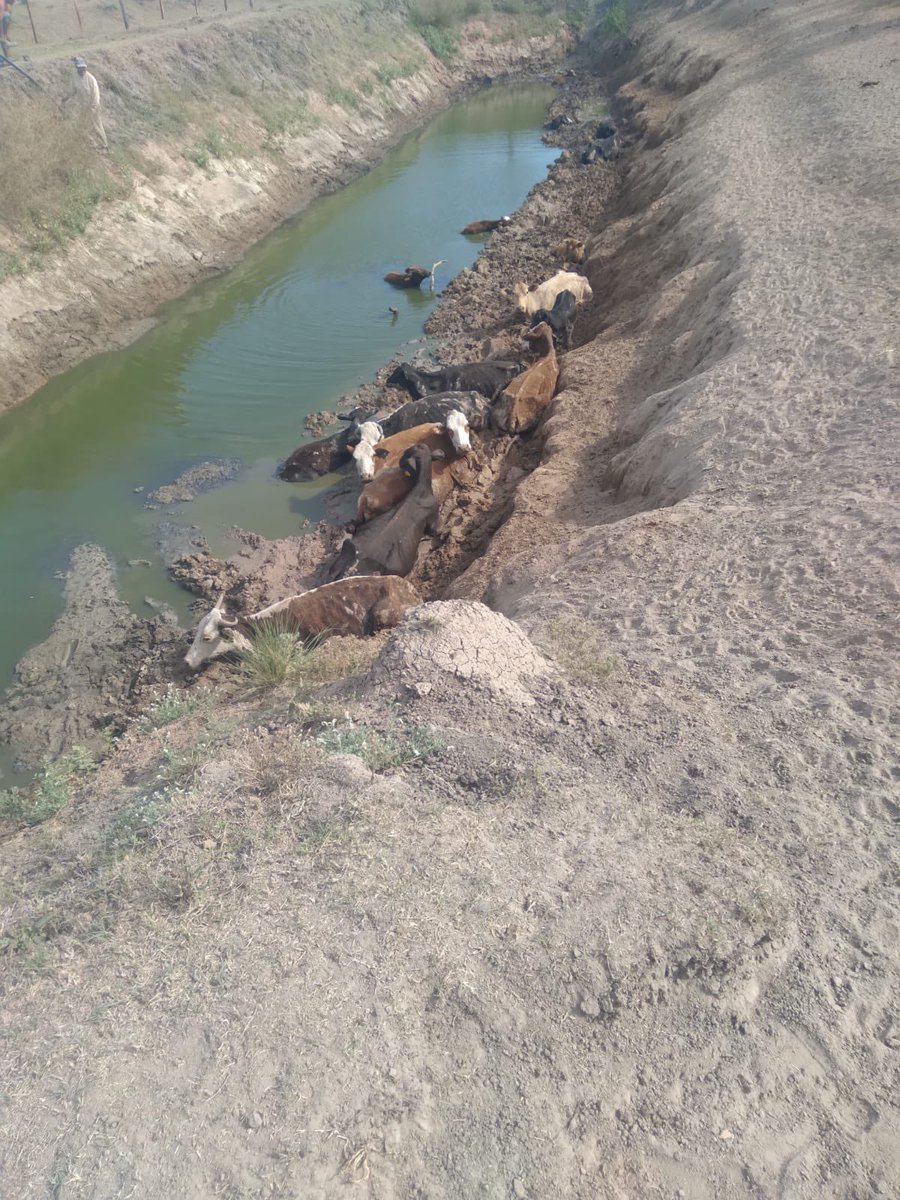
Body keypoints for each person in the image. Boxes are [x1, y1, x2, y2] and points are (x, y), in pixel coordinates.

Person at [68, 56, 109, 151]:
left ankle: (104, 145)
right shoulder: (74, 75)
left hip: (93, 107)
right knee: (80, 124)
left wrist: (91, 111)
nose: (82, 70)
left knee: (96, 126)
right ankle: (82, 144)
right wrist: (65, 98)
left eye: (83, 68)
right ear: (77, 68)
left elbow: (96, 98)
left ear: (85, 68)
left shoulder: (91, 80)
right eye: (80, 68)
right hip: (83, 106)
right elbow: (73, 90)